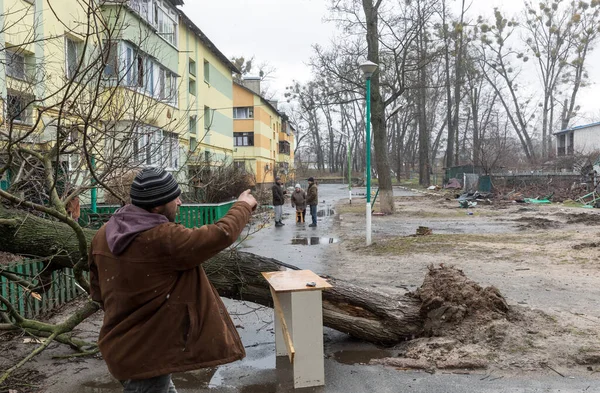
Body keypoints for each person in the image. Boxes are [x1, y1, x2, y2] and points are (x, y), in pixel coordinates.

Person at [89, 167, 257, 393]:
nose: (179, 202)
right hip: (147, 355)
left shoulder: (104, 233)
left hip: (124, 346)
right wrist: (243, 205)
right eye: (174, 197)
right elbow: (220, 234)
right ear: (157, 205)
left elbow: (97, 291)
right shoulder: (162, 239)